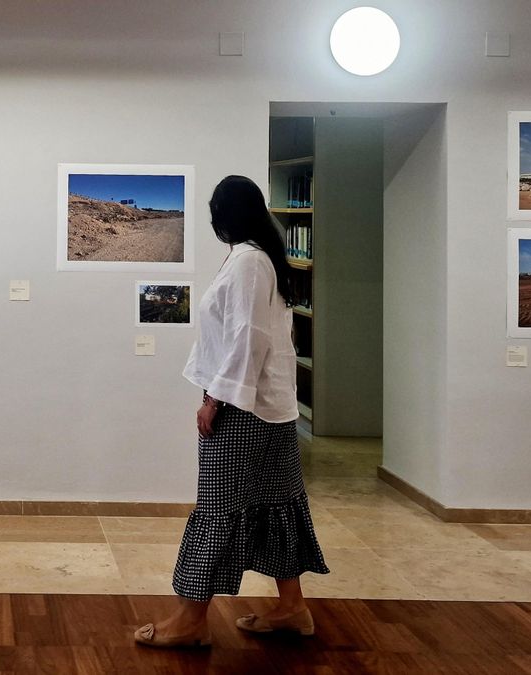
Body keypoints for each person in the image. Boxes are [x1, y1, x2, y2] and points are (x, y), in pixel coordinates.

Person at [134, 175, 329, 649]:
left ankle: (190, 619)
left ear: (225, 214)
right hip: (274, 411)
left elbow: (248, 338)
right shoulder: (261, 258)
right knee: (276, 505)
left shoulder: (248, 262)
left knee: (218, 510)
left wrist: (215, 399)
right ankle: (292, 607)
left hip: (244, 412)